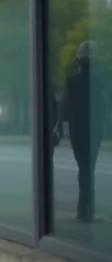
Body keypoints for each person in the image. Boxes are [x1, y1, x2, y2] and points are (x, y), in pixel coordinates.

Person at [55, 40, 106, 222]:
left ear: (79, 62)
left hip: (77, 129)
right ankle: (86, 207)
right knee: (89, 168)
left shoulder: (72, 81)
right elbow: (105, 107)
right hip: (95, 129)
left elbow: (63, 104)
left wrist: (59, 126)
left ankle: (83, 208)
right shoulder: (100, 82)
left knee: (83, 167)